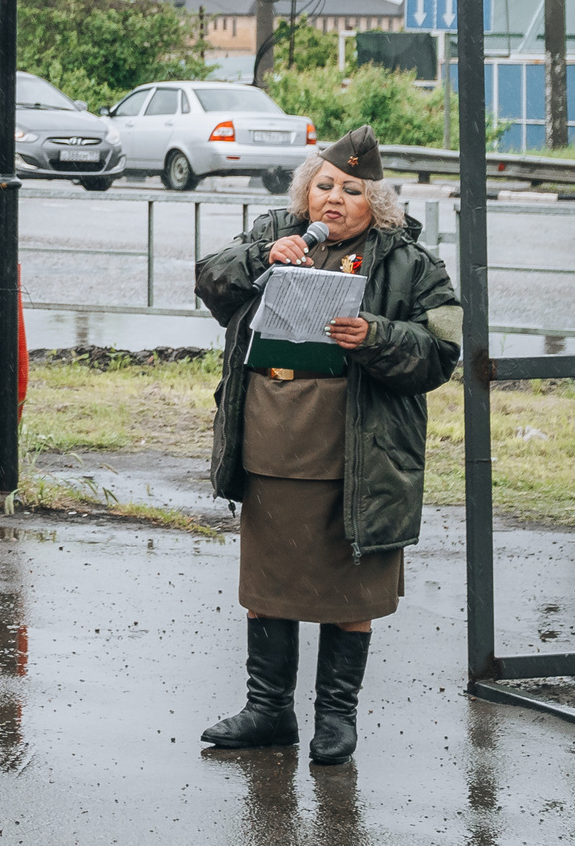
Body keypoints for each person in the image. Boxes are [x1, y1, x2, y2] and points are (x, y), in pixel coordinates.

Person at [193, 124, 461, 764]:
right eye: (324, 185)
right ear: (305, 192)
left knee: (351, 590)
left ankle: (336, 720)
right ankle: (268, 710)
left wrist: (372, 335)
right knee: (270, 579)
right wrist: (261, 260)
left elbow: (444, 351)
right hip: (272, 441)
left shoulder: (409, 263)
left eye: (351, 190)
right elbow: (209, 282)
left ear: (378, 204)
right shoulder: (272, 235)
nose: (333, 198)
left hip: (359, 455)